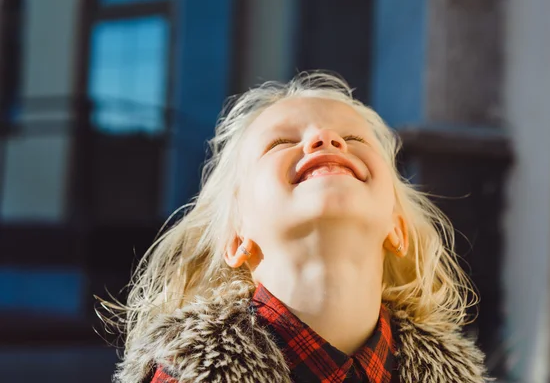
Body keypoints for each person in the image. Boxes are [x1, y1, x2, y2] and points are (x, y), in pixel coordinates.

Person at [108, 71, 488, 382]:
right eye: (281, 142)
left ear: (397, 227)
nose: (325, 139)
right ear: (236, 236)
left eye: (353, 139)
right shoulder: (182, 377)